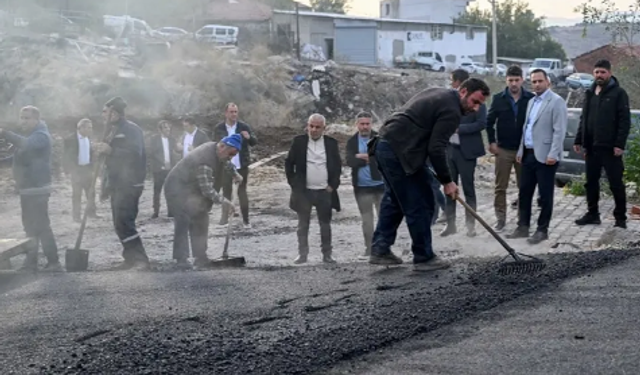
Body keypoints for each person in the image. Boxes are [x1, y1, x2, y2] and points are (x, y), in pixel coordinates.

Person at [368, 78, 491, 270]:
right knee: (421, 202)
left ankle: (380, 249)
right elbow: (437, 148)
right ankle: (423, 257)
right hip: (400, 151)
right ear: (463, 91)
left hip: (386, 145)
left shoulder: (439, 93)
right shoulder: (452, 111)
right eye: (474, 102)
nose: (475, 108)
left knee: (394, 200)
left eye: (480, 105)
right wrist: (447, 181)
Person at [507, 69, 567, 244]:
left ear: (547, 82)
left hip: (546, 156)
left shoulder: (556, 102)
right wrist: (520, 150)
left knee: (545, 195)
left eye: (540, 81)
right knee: (524, 192)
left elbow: (559, 131)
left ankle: (542, 230)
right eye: (534, 82)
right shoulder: (532, 101)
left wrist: (553, 153)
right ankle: (522, 226)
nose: (537, 84)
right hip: (528, 154)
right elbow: (527, 128)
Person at [164, 135, 241, 269]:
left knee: (201, 218)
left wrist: (234, 173)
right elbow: (207, 190)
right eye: (230, 154)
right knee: (183, 220)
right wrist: (225, 202)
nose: (231, 157)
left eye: (234, 155)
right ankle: (181, 259)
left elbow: (226, 161)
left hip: (193, 188)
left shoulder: (218, 150)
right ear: (222, 146)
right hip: (177, 188)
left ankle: (200, 257)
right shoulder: (205, 161)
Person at [0, 106, 60, 271]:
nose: (23, 121)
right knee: (29, 226)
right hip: (27, 189)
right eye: (21, 117)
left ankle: (54, 262)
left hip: (37, 189)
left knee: (41, 225)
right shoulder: (31, 135)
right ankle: (31, 262)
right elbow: (19, 155)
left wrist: (5, 133)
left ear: (36, 120)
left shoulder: (41, 136)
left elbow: (26, 145)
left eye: (27, 118)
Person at [574, 59, 631, 229]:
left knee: (616, 184)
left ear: (610, 73)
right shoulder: (590, 93)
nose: (599, 75)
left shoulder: (619, 94)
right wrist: (579, 140)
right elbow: (584, 119)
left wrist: (619, 144)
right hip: (591, 147)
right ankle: (593, 214)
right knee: (591, 182)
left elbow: (624, 121)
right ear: (593, 73)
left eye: (603, 72)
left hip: (610, 148)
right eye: (597, 72)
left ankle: (620, 218)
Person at [95, 97, 150, 270]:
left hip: (130, 182)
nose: (104, 115)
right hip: (117, 182)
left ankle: (141, 259)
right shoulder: (112, 130)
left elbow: (135, 153)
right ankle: (130, 257)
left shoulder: (131, 129)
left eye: (107, 111)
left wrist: (111, 150)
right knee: (118, 222)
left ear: (116, 113)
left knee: (125, 221)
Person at [285, 114, 342, 264]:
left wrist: (333, 185)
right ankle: (302, 254)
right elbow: (289, 164)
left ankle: (327, 254)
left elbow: (337, 166)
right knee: (303, 225)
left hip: (324, 191)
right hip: (304, 192)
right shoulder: (299, 142)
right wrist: (294, 185)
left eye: (317, 127)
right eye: (311, 126)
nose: (314, 130)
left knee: (325, 224)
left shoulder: (331, 143)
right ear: (307, 126)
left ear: (324, 128)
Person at [486, 65, 535, 231]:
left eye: (516, 80)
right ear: (506, 80)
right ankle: (500, 218)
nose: (513, 83)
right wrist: (492, 142)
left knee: (524, 186)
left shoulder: (530, 98)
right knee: (500, 186)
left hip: (524, 149)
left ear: (522, 80)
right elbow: (489, 121)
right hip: (504, 149)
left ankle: (523, 220)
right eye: (510, 80)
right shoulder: (498, 98)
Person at [440, 69, 487, 238]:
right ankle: (450, 225)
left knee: (468, 189)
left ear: (461, 84)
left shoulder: (477, 100)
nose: (451, 84)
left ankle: (470, 226)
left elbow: (482, 123)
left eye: (453, 81)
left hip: (467, 152)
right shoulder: (450, 100)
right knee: (449, 188)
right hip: (450, 150)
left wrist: (459, 129)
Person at [213, 103, 258, 228]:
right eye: (231, 112)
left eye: (236, 112)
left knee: (242, 193)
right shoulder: (219, 128)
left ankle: (246, 220)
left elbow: (254, 142)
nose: (234, 114)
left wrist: (249, 137)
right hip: (225, 164)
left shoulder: (244, 126)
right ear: (226, 113)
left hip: (241, 164)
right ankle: (224, 219)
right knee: (226, 191)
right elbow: (215, 144)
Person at [346, 111, 384, 258]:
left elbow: (383, 157)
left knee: (384, 218)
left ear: (371, 124)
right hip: (361, 187)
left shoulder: (379, 138)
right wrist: (367, 158)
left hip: (380, 185)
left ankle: (382, 246)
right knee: (367, 220)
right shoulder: (351, 142)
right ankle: (369, 248)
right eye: (362, 124)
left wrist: (362, 156)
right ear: (357, 125)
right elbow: (349, 161)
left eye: (367, 123)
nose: (365, 127)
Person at [63, 118, 99, 222]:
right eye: (88, 128)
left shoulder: (89, 139)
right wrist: (69, 170)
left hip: (87, 169)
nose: (90, 130)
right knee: (77, 194)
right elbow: (66, 156)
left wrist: (92, 167)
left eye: (91, 128)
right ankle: (76, 216)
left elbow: (91, 154)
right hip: (77, 170)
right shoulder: (70, 139)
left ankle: (92, 213)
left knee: (91, 192)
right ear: (81, 127)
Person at [148, 120, 177, 218]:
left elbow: (175, 151)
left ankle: (171, 211)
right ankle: (156, 211)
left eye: (169, 127)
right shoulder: (154, 139)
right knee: (157, 190)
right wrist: (161, 163)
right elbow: (151, 153)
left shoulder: (172, 139)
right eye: (165, 127)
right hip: (159, 169)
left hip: (170, 169)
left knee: (170, 190)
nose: (168, 129)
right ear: (159, 130)